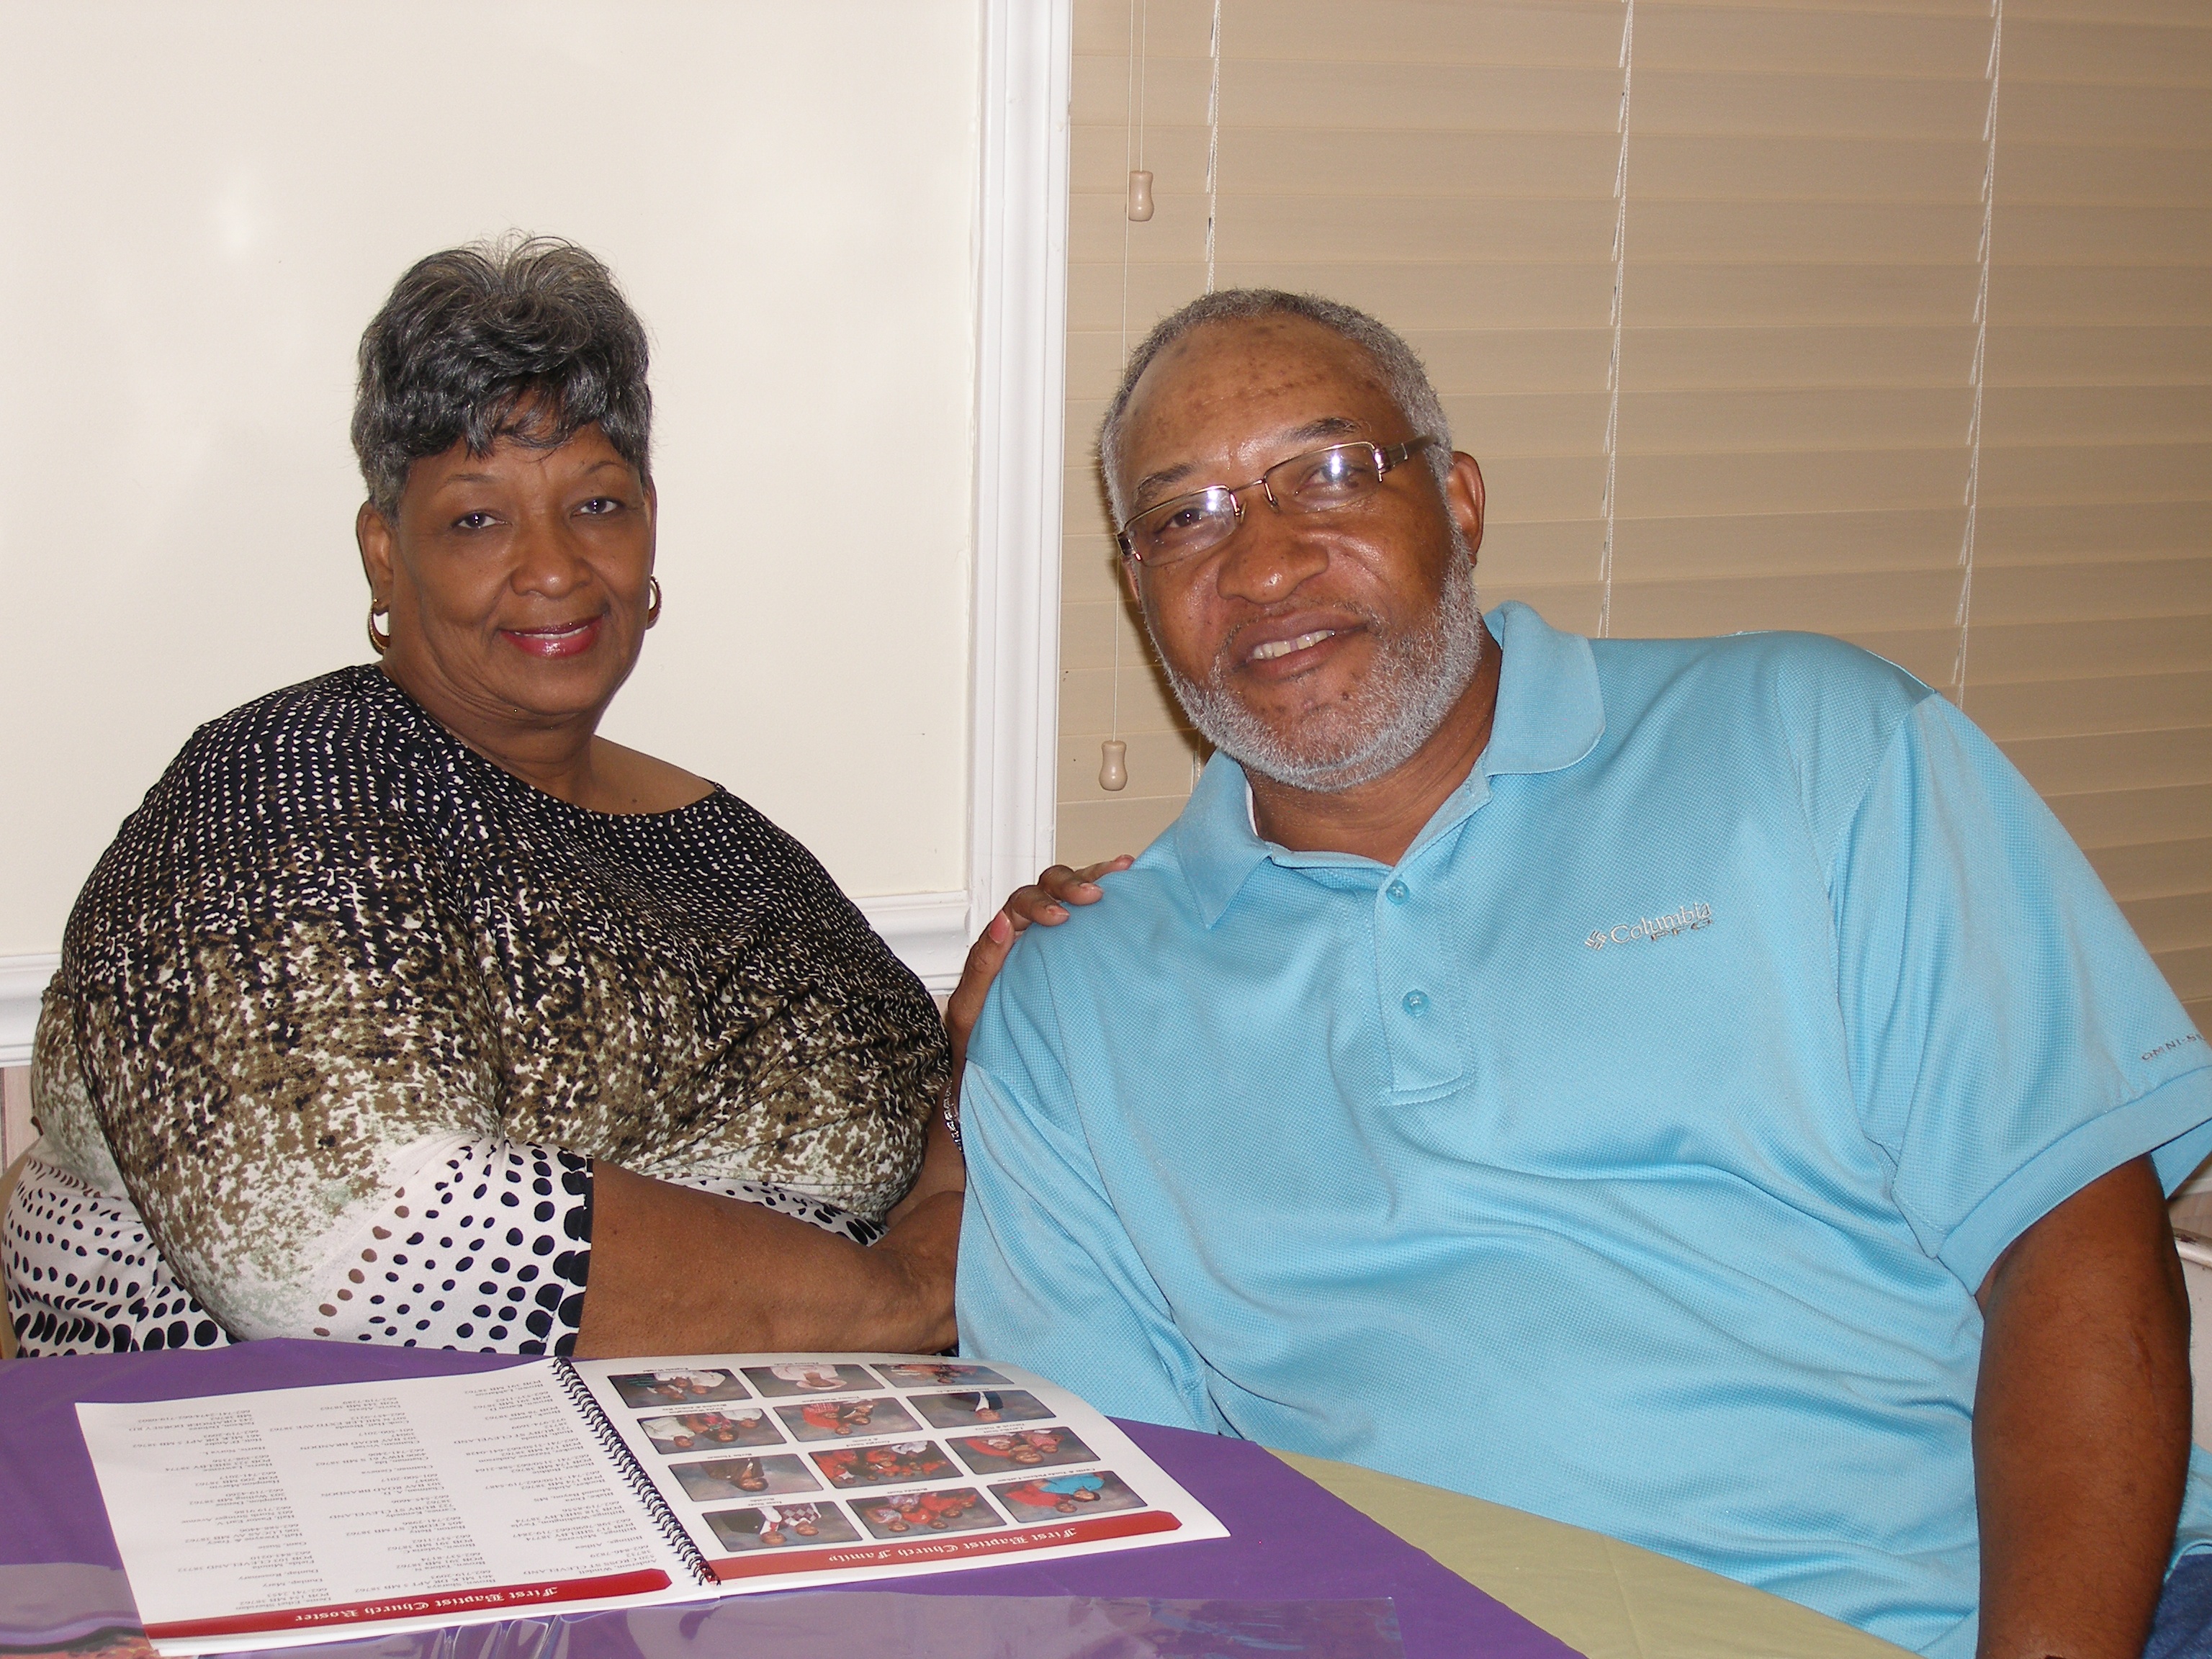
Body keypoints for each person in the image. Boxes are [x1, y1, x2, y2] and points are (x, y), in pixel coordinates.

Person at [952, 289, 2212, 1659]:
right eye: (1186, 515)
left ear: (1460, 502)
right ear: (1140, 589)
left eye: (1328, 473)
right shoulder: (1072, 1004)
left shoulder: (1809, 746)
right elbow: (1123, 1522)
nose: (1262, 565)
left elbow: (2072, 1245)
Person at [4, 234, 1017, 1361]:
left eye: (598, 505)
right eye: (477, 519)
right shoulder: (280, 786)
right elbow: (344, 1238)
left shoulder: (749, 859)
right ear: (384, 553)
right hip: (322, 1462)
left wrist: (984, 1048)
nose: (555, 568)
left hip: (780, 1454)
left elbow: (928, 1179)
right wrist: (891, 1300)